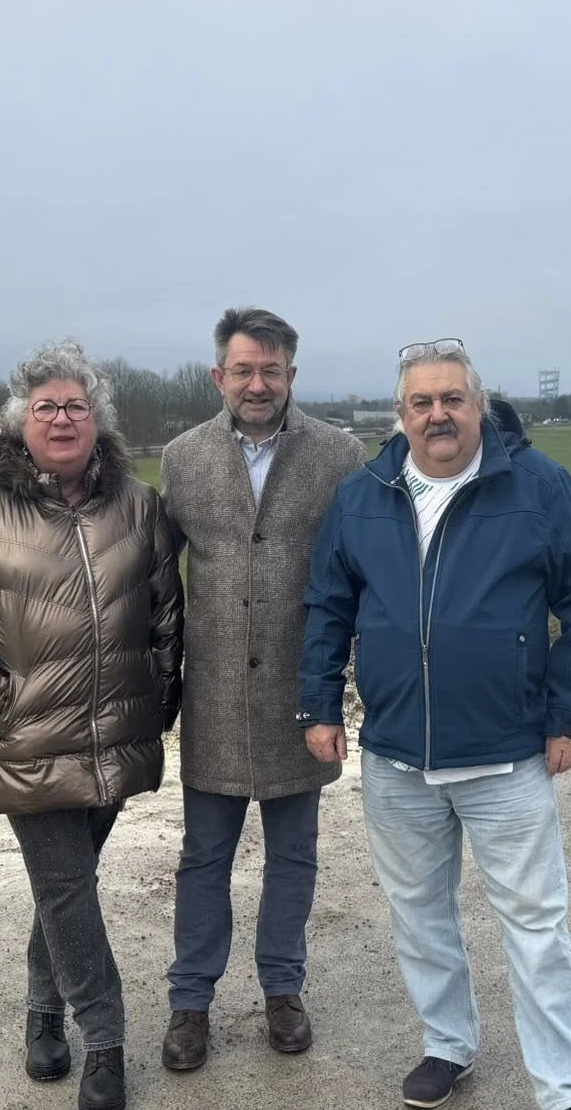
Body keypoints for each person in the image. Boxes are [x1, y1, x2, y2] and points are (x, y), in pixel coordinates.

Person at [298, 338, 571, 1110]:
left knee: (536, 928)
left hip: (507, 755)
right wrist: (319, 702)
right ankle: (447, 1044)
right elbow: (329, 605)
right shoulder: (365, 492)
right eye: (421, 402)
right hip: (398, 755)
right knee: (419, 915)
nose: (437, 414)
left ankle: (565, 1088)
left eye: (452, 399)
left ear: (478, 404)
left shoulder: (538, 485)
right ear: (401, 414)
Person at [0, 340, 182, 1110]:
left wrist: (157, 703)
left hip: (117, 738)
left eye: (76, 406)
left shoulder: (138, 506)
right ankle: (105, 1040)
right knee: (68, 890)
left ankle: (42, 1008)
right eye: (46, 408)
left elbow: (167, 617)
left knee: (64, 890)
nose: (62, 419)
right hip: (27, 743)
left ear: (97, 420)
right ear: (20, 424)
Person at [156, 306, 366, 1070]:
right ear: (219, 375)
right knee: (203, 858)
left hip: (299, 699)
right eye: (242, 369)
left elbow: (358, 575)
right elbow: (152, 580)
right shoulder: (181, 460)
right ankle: (190, 1003)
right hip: (211, 698)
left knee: (295, 857)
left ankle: (283, 990)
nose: (256, 383)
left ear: (291, 376)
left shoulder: (340, 455)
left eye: (270, 370)